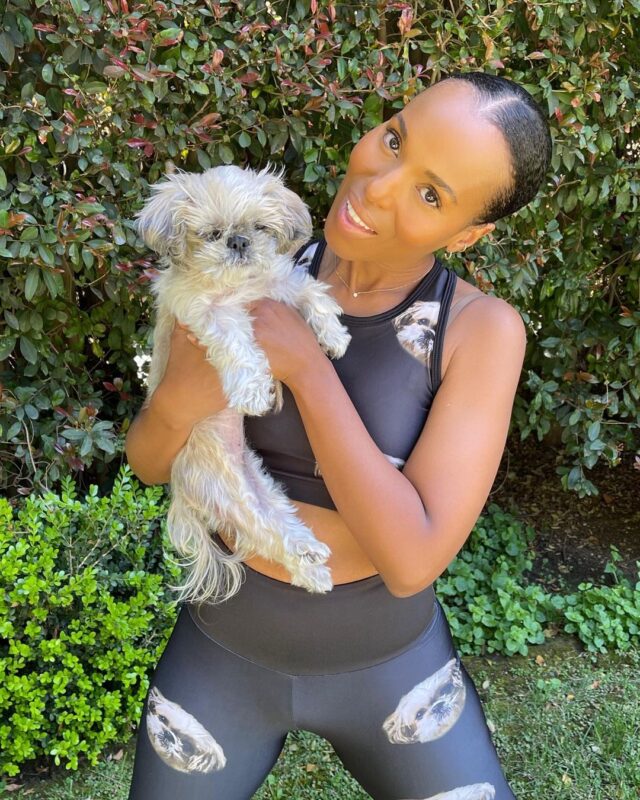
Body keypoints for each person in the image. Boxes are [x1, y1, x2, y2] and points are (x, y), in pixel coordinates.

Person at [125, 71, 552, 800]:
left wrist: (307, 370)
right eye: (394, 139)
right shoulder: (252, 262)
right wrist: (177, 399)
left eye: (430, 194)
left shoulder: (479, 330)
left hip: (389, 668)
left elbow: (413, 560)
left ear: (469, 232)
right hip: (223, 648)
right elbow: (150, 464)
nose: (379, 186)